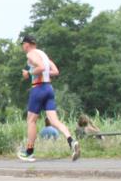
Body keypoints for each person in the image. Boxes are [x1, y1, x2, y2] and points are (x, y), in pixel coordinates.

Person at [16, 35, 80, 163]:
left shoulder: (31, 54)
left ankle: (29, 152)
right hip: (49, 88)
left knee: (31, 121)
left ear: (27, 44)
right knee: (54, 120)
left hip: (38, 89)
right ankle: (71, 141)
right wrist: (42, 73)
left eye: (23, 44)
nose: (23, 47)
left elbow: (41, 68)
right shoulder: (43, 54)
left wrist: (28, 73)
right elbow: (55, 71)